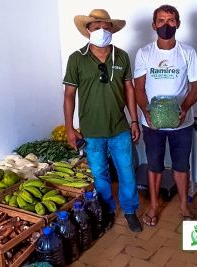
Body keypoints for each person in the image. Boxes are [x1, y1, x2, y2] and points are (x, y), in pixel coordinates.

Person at [63, 9, 142, 232]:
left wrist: (134, 121)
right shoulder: (76, 58)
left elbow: (129, 89)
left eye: (106, 27)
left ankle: (129, 211)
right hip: (91, 131)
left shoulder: (122, 56)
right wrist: (70, 128)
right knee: (100, 175)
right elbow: (69, 95)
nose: (101, 30)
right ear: (87, 30)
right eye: (96, 27)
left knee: (127, 172)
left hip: (119, 128)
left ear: (112, 30)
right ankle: (107, 211)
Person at [134, 5, 197, 225]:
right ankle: (154, 206)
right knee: (154, 165)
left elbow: (196, 86)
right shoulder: (145, 52)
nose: (166, 25)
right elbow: (139, 88)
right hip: (152, 124)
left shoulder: (187, 52)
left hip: (182, 124)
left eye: (171, 20)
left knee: (182, 165)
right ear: (154, 25)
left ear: (178, 24)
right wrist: (147, 113)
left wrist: (184, 109)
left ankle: (184, 206)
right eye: (161, 20)